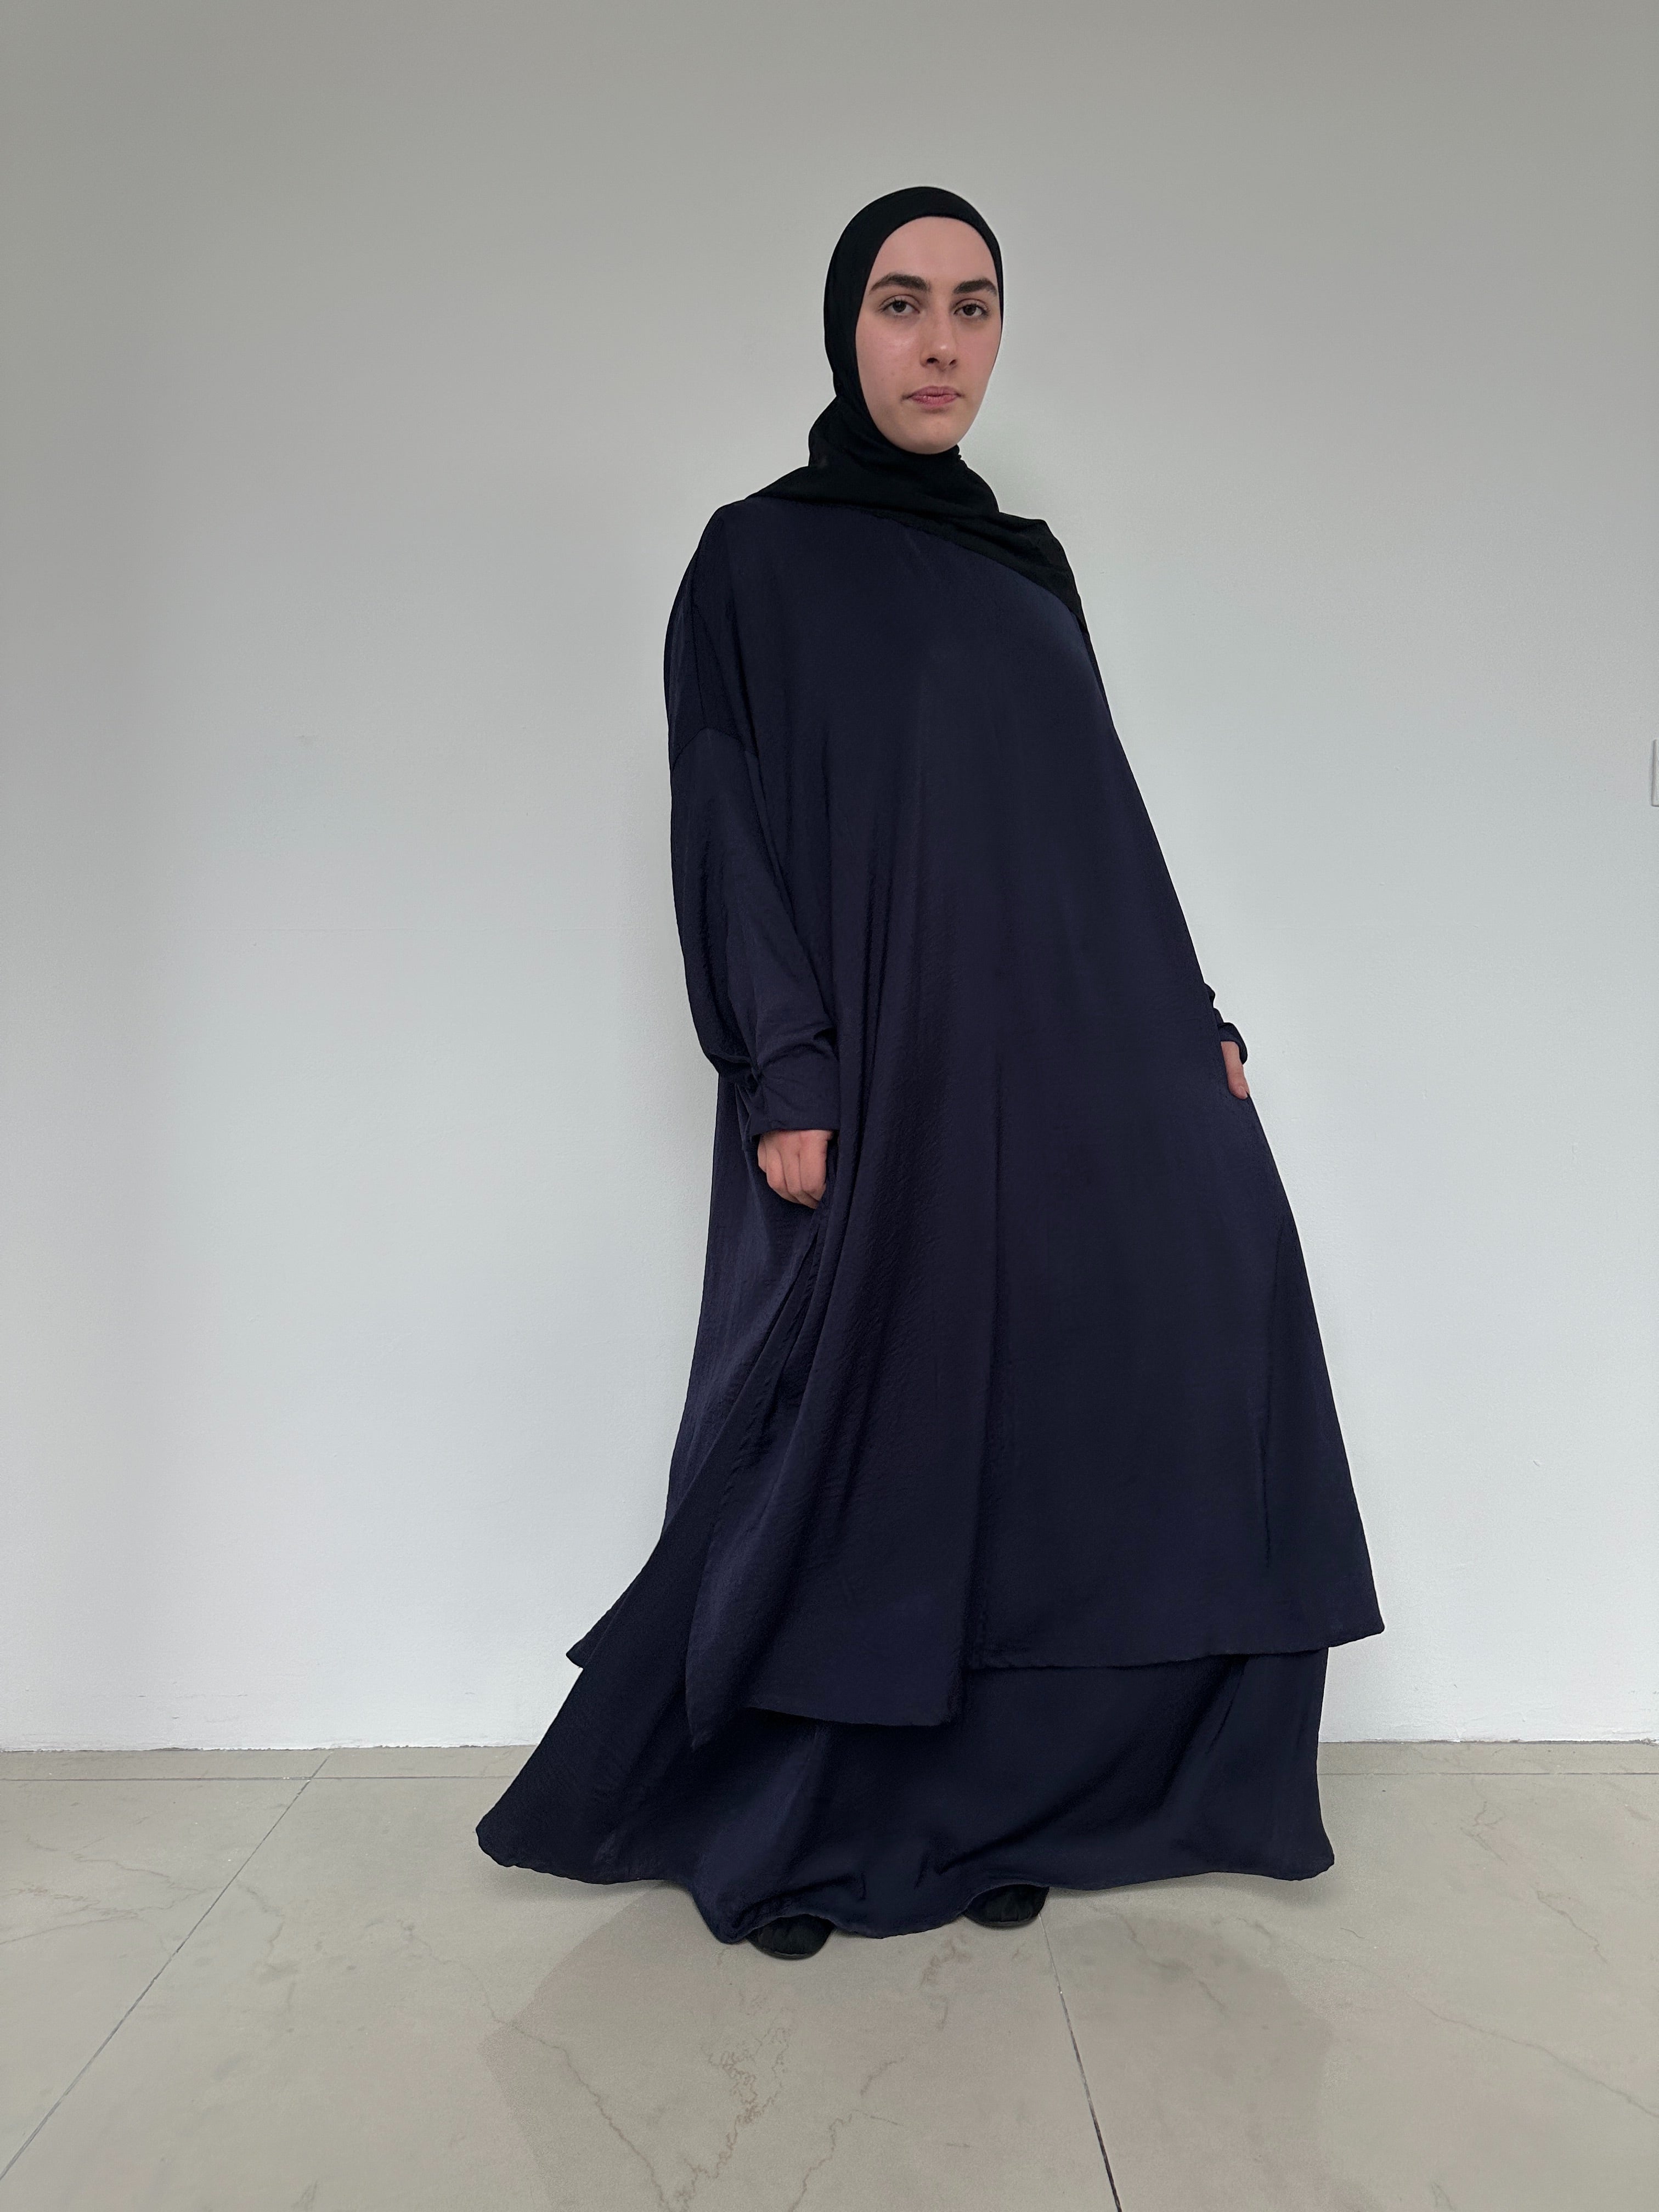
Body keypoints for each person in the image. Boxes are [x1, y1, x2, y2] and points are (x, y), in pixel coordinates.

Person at [477, 186, 1383, 1960]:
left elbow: (1093, 818)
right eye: (903, 302)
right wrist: (788, 1070)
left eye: (974, 306)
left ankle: (1009, 1801)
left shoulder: (1027, 566)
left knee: (1094, 1399)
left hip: (1065, 1049)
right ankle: (794, 1812)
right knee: (852, 1438)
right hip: (880, 1066)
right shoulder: (756, 557)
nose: (942, 342)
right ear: (847, 327)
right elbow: (723, 822)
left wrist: (1195, 1018)